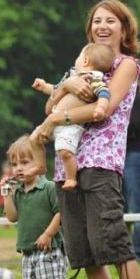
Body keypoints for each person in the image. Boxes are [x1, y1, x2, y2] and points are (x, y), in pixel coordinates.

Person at [32, 0, 140, 279]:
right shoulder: (80, 64)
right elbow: (51, 106)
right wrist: (65, 87)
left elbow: (104, 108)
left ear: (124, 28)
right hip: (66, 167)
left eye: (111, 20)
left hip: (102, 162)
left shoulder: (126, 64)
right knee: (83, 249)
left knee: (111, 241)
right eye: (97, 21)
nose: (102, 26)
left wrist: (57, 117)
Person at [2, 135, 66, 279]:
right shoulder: (18, 191)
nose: (18, 168)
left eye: (24, 162)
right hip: (29, 250)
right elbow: (12, 217)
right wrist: (7, 194)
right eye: (14, 164)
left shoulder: (48, 187)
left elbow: (60, 213)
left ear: (38, 163)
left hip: (49, 250)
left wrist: (48, 234)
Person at [32, 43, 114, 189]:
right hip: (53, 121)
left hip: (70, 126)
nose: (75, 60)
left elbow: (103, 93)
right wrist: (45, 87)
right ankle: (40, 165)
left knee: (65, 152)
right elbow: (56, 90)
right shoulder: (72, 76)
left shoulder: (92, 78)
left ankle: (71, 178)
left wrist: (101, 107)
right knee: (33, 139)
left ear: (85, 61)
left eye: (78, 57)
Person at [123, 87, 140, 262]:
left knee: (136, 203)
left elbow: (132, 125)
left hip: (132, 155)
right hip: (116, 155)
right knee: (119, 205)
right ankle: (122, 250)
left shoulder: (138, 99)